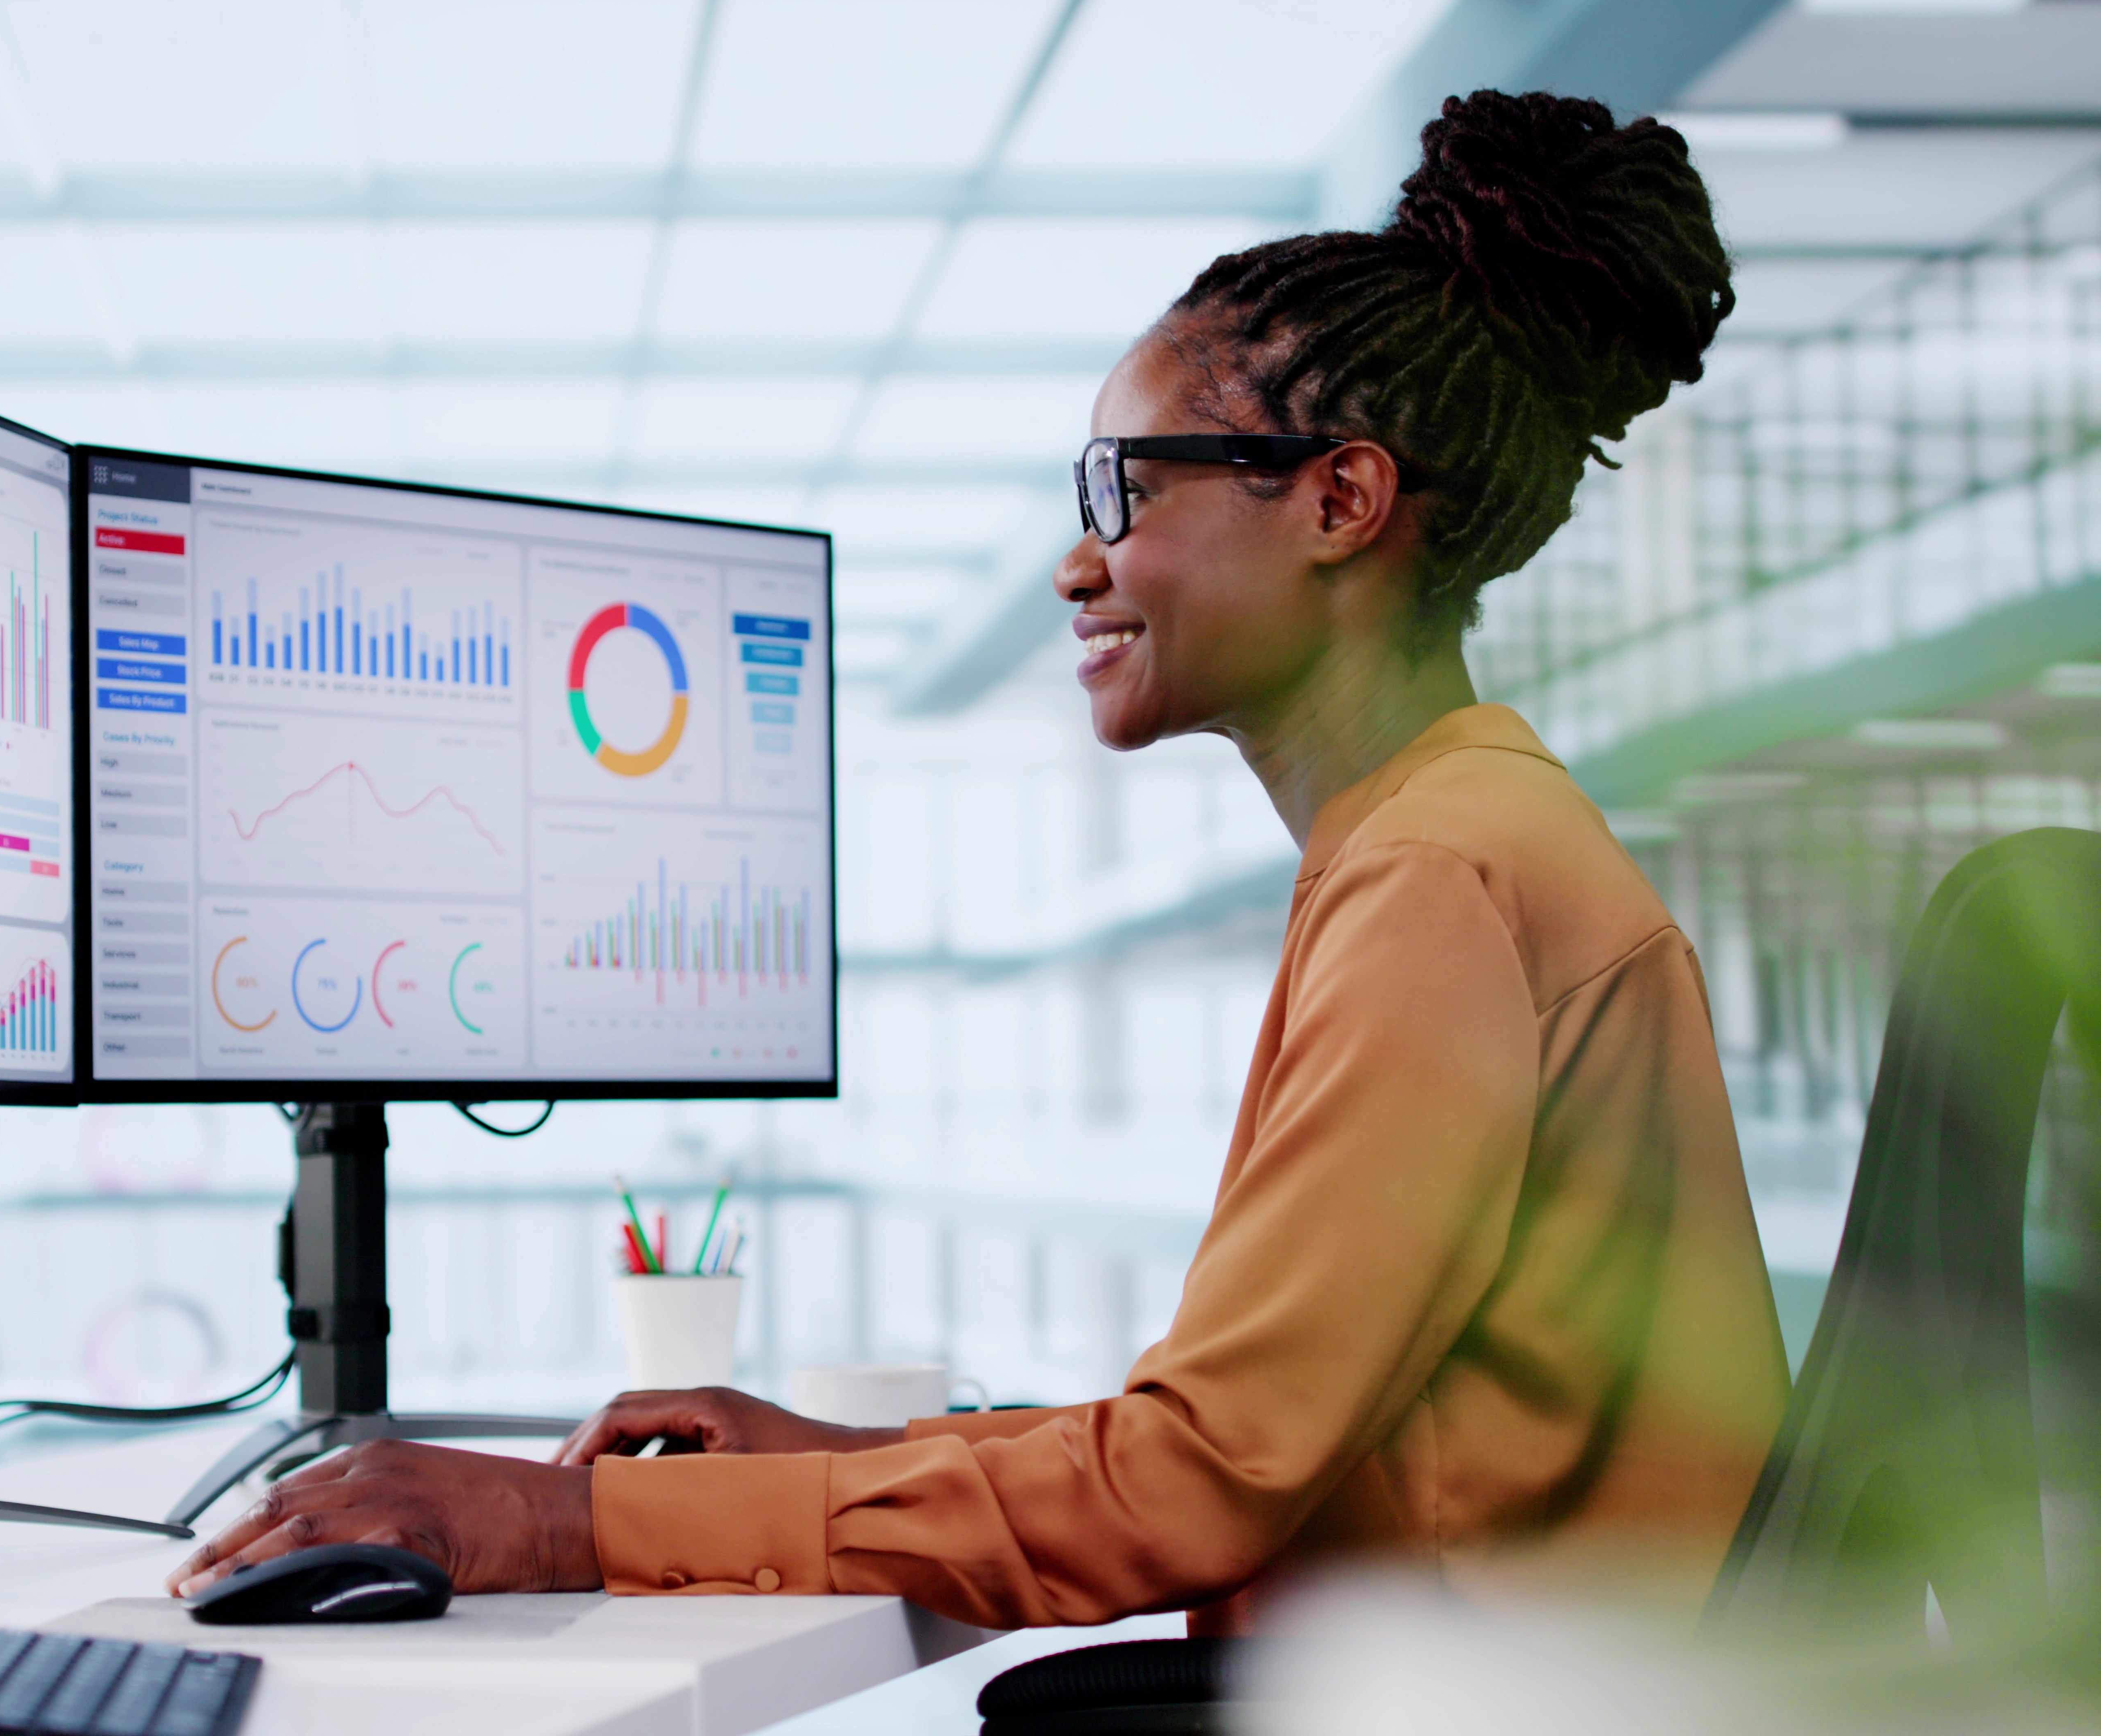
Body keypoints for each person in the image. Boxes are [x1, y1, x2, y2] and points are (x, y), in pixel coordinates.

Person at [165, 90, 1790, 1634]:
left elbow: (1188, 1491)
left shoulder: (1439, 875)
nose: (1076, 566)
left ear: (1338, 501)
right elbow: (1247, 1433)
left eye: (1121, 487)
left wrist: (558, 1521)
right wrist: (845, 1457)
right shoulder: (1465, 828)